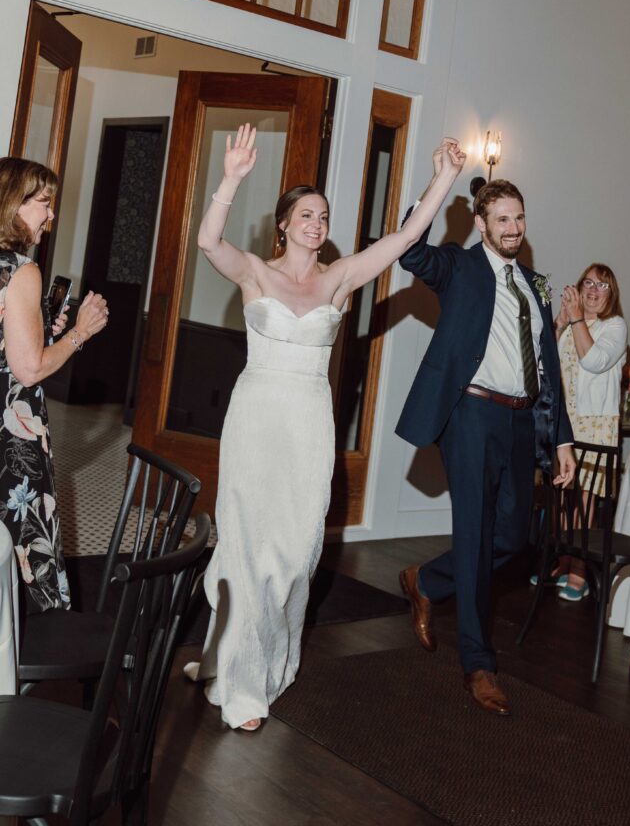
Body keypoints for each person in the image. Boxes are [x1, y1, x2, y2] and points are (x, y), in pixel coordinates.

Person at [184, 124, 465, 731]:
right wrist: (230, 178)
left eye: (324, 215)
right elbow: (209, 242)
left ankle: (249, 657)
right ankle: (239, 681)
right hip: (256, 415)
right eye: (305, 214)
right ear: (284, 223)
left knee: (292, 551)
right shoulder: (256, 271)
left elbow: (406, 236)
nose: (316, 223)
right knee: (245, 543)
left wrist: (444, 176)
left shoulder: (339, 277)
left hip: (310, 422)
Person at [396, 177, 575, 716]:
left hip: (522, 423)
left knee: (514, 537)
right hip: (471, 414)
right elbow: (410, 247)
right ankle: (479, 664)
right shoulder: (459, 268)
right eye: (502, 219)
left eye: (519, 218)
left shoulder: (536, 284)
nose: (513, 228)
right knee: (474, 535)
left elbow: (548, 364)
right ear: (481, 224)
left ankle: (426, 579)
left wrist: (561, 436)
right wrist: (439, 179)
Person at [0, 156, 108, 613]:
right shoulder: (21, 270)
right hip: (10, 434)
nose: (50, 213)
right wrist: (79, 333)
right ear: (13, 205)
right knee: (23, 545)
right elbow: (28, 370)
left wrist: (43, 327)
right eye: (44, 203)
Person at [542, 264, 627, 600]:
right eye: (588, 283)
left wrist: (577, 320)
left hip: (594, 425)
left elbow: (592, 360)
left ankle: (579, 571)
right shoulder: (571, 322)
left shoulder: (614, 326)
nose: (593, 290)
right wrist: (562, 321)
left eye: (602, 285)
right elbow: (541, 359)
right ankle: (562, 563)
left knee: (585, 502)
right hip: (564, 423)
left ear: (611, 294)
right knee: (561, 499)